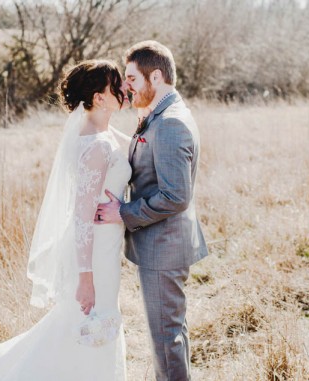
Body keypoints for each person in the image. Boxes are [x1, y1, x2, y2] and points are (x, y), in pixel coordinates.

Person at [0, 60, 132, 381]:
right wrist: (85, 276)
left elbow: (124, 142)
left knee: (86, 326)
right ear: (98, 98)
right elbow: (82, 218)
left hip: (104, 247)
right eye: (116, 85)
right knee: (89, 325)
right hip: (93, 254)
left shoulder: (97, 132)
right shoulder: (96, 146)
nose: (123, 90)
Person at [95, 41, 208, 381]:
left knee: (165, 339)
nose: (125, 85)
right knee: (171, 331)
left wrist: (123, 213)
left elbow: (175, 196)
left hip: (164, 246)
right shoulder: (160, 113)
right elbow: (144, 153)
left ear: (155, 76)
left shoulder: (171, 122)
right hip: (164, 243)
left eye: (131, 78)